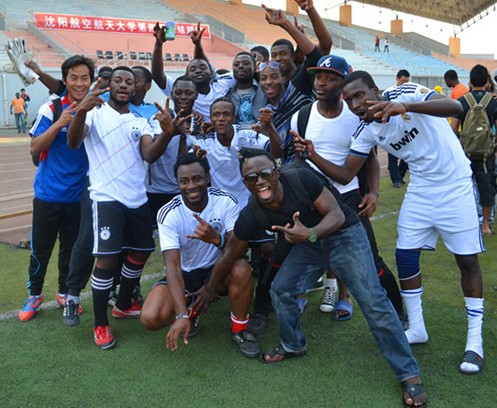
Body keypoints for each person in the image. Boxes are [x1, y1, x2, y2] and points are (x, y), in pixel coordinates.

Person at [192, 148, 426, 408]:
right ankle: (293, 344)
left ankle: (408, 373)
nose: (259, 181)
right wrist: (209, 288)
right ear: (245, 183)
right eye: (251, 177)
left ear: (277, 173)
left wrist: (311, 233)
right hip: (307, 244)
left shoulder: (300, 178)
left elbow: (336, 214)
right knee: (281, 289)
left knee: (373, 301)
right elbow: (232, 251)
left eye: (265, 173)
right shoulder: (253, 212)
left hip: (343, 235)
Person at [322, 70, 485, 375]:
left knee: (466, 261)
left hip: (456, 185)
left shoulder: (405, 93)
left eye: (360, 95)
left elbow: (455, 107)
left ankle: (475, 341)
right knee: (405, 255)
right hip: (421, 189)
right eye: (350, 100)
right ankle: (417, 328)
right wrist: (310, 154)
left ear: (375, 89)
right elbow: (345, 174)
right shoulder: (366, 130)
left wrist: (406, 107)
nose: (356, 104)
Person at [67, 66, 177, 349]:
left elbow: (149, 154)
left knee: (141, 251)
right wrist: (80, 112)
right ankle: (100, 325)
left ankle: (124, 303)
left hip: (137, 198)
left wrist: (167, 134)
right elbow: (73, 142)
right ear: (110, 85)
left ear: (137, 87)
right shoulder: (94, 113)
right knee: (106, 261)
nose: (124, 85)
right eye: (118, 80)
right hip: (106, 198)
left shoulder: (140, 121)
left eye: (130, 81)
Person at [292, 54, 405, 321]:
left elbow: (370, 159)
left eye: (330, 78)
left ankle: (399, 313)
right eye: (318, 77)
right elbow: (299, 160)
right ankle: (291, 299)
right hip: (314, 199)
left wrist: (373, 192)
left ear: (343, 84)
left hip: (348, 197)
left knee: (371, 260)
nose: (321, 83)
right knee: (302, 251)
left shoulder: (357, 116)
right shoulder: (302, 116)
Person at [140, 153, 260, 358]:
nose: (191, 186)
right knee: (151, 317)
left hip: (219, 269)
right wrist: (181, 314)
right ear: (177, 183)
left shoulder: (225, 201)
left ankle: (240, 330)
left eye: (197, 179)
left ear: (207, 177)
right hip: (186, 275)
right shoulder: (169, 213)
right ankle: (190, 310)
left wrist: (216, 239)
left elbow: (240, 249)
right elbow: (173, 267)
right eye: (184, 181)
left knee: (241, 268)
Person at [18, 55, 93, 321]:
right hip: (48, 194)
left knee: (70, 248)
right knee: (41, 249)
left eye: (85, 78)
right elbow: (34, 147)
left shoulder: (96, 109)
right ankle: (34, 295)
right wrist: (60, 123)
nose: (79, 83)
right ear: (65, 80)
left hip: (78, 196)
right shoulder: (51, 108)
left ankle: (64, 292)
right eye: (74, 78)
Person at [193, 97, 282, 207]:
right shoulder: (203, 141)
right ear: (210, 118)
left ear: (234, 118)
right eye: (216, 115)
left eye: (226, 114)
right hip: (222, 205)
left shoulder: (247, 134)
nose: (221, 119)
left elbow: (277, 153)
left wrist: (270, 127)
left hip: (251, 202)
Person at [151, 22, 236, 120]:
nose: (198, 71)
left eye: (203, 68)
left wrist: (198, 45)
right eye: (193, 69)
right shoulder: (181, 90)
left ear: (211, 72)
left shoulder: (224, 83)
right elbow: (157, 75)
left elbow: (244, 72)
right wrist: (158, 44)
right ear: (187, 75)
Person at [450, 64, 497, 237]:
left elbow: (453, 129)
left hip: (466, 154)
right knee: (487, 189)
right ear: (487, 82)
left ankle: (466, 222)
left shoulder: (461, 102)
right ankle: (485, 225)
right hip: (486, 155)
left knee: (464, 188)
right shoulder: (493, 102)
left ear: (469, 82)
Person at [384, 70, 411, 188]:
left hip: (407, 128)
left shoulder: (410, 93)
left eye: (407, 82)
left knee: (407, 155)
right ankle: (396, 180)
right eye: (403, 81)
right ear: (397, 79)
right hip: (393, 129)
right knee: (393, 155)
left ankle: (400, 174)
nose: (405, 84)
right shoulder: (388, 93)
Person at [228, 52, 267, 125]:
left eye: (246, 63)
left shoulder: (265, 89)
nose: (240, 66)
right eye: (236, 64)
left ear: (255, 68)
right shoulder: (226, 93)